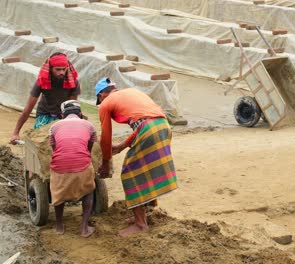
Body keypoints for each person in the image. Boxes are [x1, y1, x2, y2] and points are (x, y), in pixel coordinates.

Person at [95, 77, 178, 237]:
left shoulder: (105, 103)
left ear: (101, 96)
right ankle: (143, 213)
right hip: (163, 126)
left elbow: (106, 137)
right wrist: (122, 146)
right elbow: (144, 122)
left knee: (130, 172)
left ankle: (140, 224)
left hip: (148, 129)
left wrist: (105, 162)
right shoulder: (132, 92)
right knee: (145, 170)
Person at [49, 100, 96, 237]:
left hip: (59, 165)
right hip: (82, 164)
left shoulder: (54, 126)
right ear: (80, 114)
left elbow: (54, 149)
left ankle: (58, 226)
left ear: (62, 116)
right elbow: (89, 149)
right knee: (89, 190)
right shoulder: (90, 126)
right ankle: (84, 228)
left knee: (58, 193)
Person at [10, 52, 80, 144]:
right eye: (58, 69)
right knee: (42, 140)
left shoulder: (73, 82)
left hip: (63, 115)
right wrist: (16, 132)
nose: (61, 72)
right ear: (51, 69)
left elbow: (71, 108)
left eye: (64, 69)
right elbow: (27, 109)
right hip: (44, 114)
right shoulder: (41, 81)